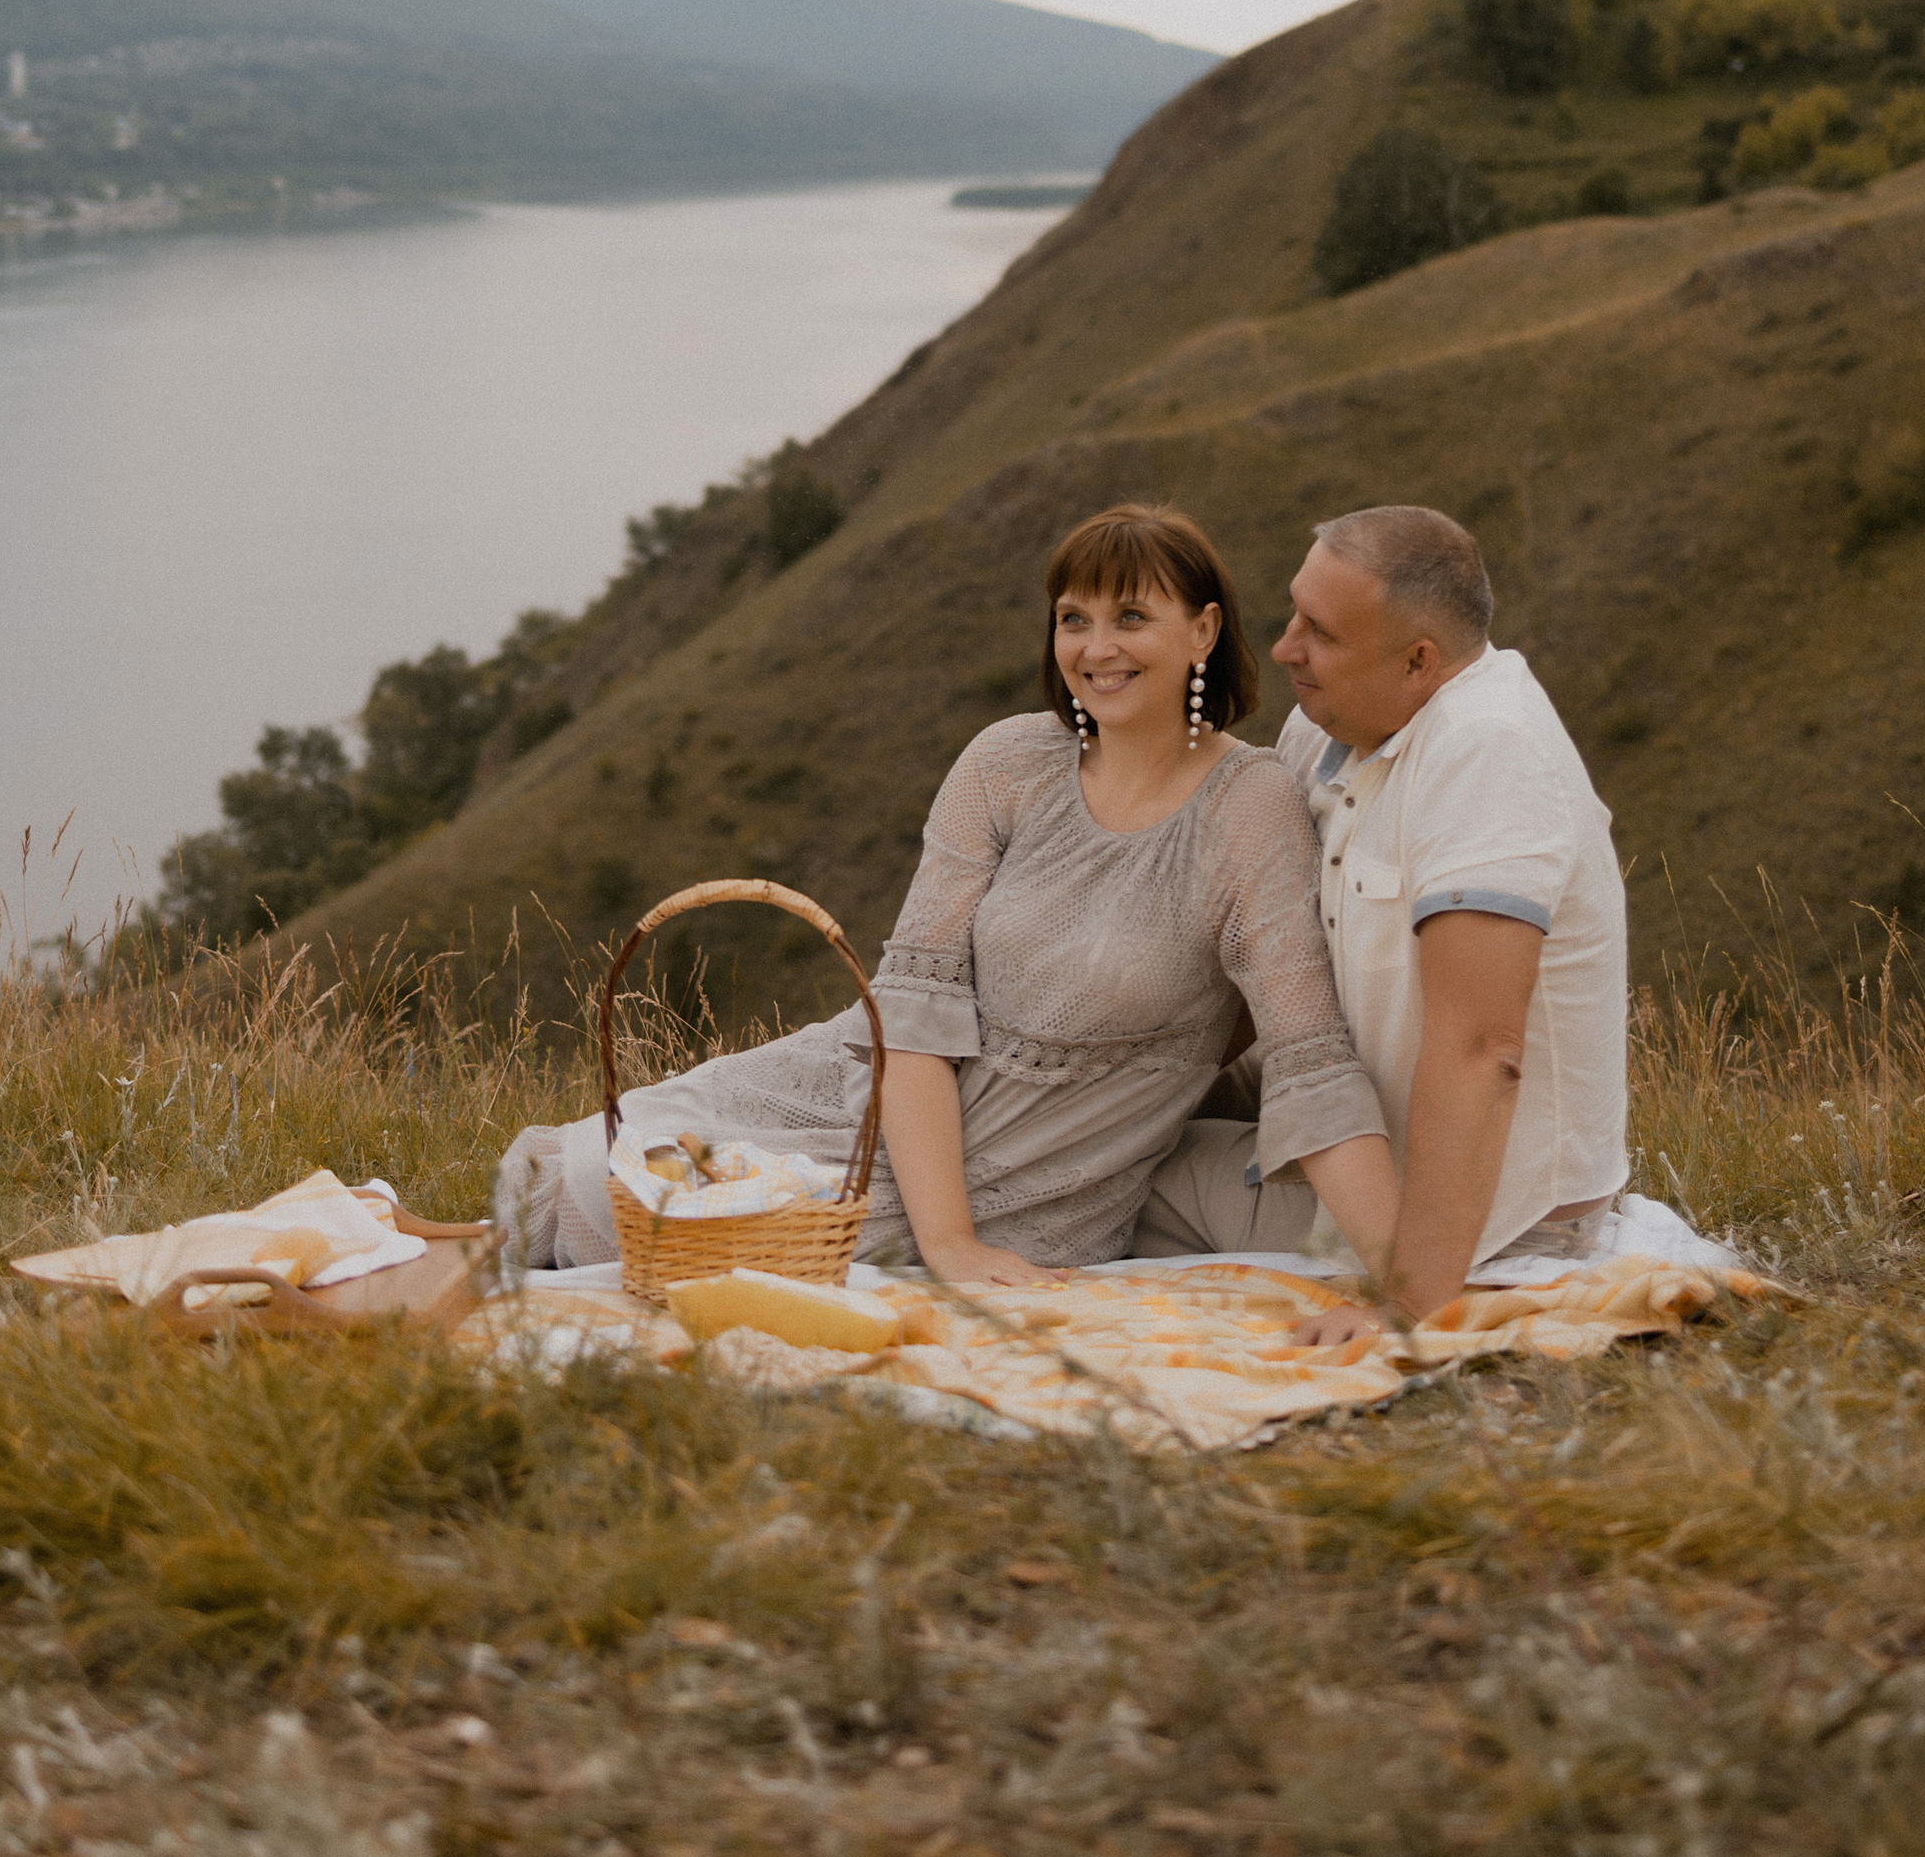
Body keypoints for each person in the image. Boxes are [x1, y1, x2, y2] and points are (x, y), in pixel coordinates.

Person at [495, 502, 1401, 1285]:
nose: (1097, 648)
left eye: (1132, 616)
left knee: (658, 1235)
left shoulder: (1250, 810)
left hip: (1034, 1183)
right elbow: (914, 1018)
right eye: (1073, 618)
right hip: (871, 1100)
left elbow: (1308, 1061)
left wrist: (1412, 1279)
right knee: (594, 1177)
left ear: (1202, 631)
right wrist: (948, 1238)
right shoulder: (1007, 761)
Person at [1131, 504, 1629, 1330]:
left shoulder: (1488, 753)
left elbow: (1483, 1050)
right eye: (1295, 612)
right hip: (1357, 1136)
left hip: (1484, 1221)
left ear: (1418, 662)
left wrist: (1409, 1305)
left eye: (1320, 632)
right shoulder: (1326, 725)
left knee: (1097, 1183)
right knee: (1090, 1124)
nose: (1286, 646)